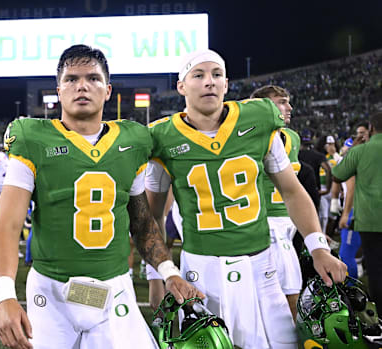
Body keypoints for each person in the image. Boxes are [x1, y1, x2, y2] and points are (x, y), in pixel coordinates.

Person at [0, 45, 201, 349]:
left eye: (93, 78)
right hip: (51, 291)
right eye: (72, 79)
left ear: (107, 91)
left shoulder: (133, 140)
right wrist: (4, 296)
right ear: (59, 91)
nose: (82, 86)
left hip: (113, 286)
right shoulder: (31, 138)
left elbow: (141, 222)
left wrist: (168, 272)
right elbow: (8, 225)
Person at [145, 49, 346, 348]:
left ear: (226, 84)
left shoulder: (259, 118)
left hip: (261, 266)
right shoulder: (161, 137)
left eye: (216, 74)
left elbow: (291, 191)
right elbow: (152, 215)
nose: (209, 82)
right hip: (201, 273)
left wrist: (318, 247)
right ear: (182, 86)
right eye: (198, 75)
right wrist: (157, 275)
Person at [249, 85, 302, 320]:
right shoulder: (250, 137)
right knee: (289, 299)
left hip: (287, 224)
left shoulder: (292, 138)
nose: (288, 107)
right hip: (264, 225)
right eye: (282, 102)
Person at [332, 111, 382, 313]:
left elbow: (337, 174)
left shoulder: (361, 151)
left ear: (371, 128)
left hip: (369, 220)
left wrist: (354, 149)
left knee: (376, 271)